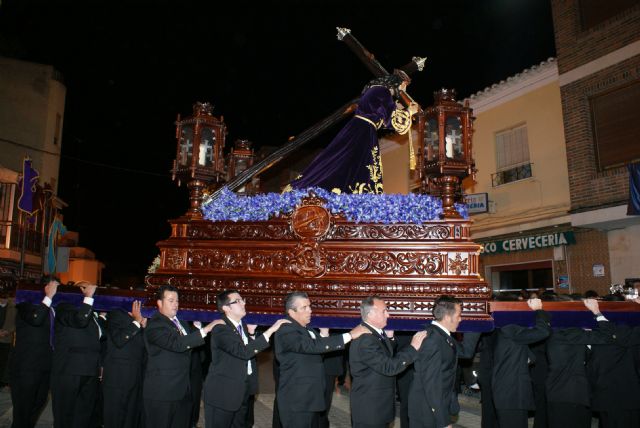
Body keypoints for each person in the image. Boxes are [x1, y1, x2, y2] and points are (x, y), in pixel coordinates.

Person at [288, 73, 418, 194]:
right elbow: (392, 120)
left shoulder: (375, 90)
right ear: (397, 83)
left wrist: (398, 109)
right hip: (364, 131)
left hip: (357, 127)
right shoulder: (384, 92)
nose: (404, 90)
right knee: (360, 165)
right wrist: (409, 111)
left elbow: (382, 118)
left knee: (344, 160)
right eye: (404, 86)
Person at [274, 291, 370, 428]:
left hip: (310, 397)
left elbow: (317, 351)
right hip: (297, 400)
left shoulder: (307, 329)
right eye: (304, 307)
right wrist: (349, 335)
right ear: (291, 312)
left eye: (309, 306)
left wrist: (324, 334)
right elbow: (310, 346)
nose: (310, 310)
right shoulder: (286, 329)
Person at [203, 289, 289, 428]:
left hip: (241, 390)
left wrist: (251, 333)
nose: (243, 303)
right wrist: (271, 330)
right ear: (226, 308)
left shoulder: (241, 326)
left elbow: (248, 352)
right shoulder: (221, 328)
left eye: (242, 300)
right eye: (237, 301)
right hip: (223, 394)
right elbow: (242, 352)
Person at [143, 284, 220, 428]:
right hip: (163, 393)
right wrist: (206, 329)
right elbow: (177, 344)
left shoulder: (182, 323)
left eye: (177, 301)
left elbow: (189, 344)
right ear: (159, 303)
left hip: (183, 390)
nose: (175, 304)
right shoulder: (155, 325)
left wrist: (197, 326)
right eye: (171, 300)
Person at [349, 296, 426, 428]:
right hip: (370, 411)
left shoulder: (374, 333)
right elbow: (388, 367)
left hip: (378, 408)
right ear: (371, 314)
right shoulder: (365, 338)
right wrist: (412, 348)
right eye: (384, 311)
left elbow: (382, 355)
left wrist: (390, 339)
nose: (388, 315)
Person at [408, 295, 480, 428]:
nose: (460, 319)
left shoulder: (441, 335)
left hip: (436, 404)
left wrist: (479, 324)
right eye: (458, 315)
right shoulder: (432, 340)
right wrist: (443, 421)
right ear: (447, 317)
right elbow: (431, 385)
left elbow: (465, 352)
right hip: (427, 410)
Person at [545, 298, 614, 428]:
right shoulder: (574, 333)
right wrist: (597, 312)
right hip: (574, 393)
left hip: (556, 391)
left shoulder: (552, 334)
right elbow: (608, 335)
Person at [50, 280, 104, 428]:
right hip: (69, 370)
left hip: (90, 371)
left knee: (83, 417)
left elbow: (99, 340)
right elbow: (80, 320)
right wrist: (88, 298)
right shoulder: (64, 307)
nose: (89, 290)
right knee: (64, 416)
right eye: (85, 287)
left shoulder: (91, 313)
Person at [492, 298, 551, 428]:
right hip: (511, 394)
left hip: (513, 394)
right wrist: (539, 311)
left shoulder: (510, 330)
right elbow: (543, 331)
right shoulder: (510, 328)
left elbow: (530, 356)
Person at [9, 279, 57, 428]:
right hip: (27, 367)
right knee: (23, 410)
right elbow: (36, 319)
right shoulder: (25, 304)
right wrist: (48, 297)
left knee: (38, 403)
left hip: (45, 365)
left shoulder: (53, 309)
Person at [587, 297, 640, 428]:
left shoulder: (601, 333)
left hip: (612, 394)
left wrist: (597, 313)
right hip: (625, 395)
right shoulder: (630, 331)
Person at [102, 301, 146, 428]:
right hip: (118, 378)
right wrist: (136, 322)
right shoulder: (116, 313)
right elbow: (119, 339)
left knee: (131, 419)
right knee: (115, 418)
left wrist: (144, 327)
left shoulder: (144, 318)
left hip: (136, 377)